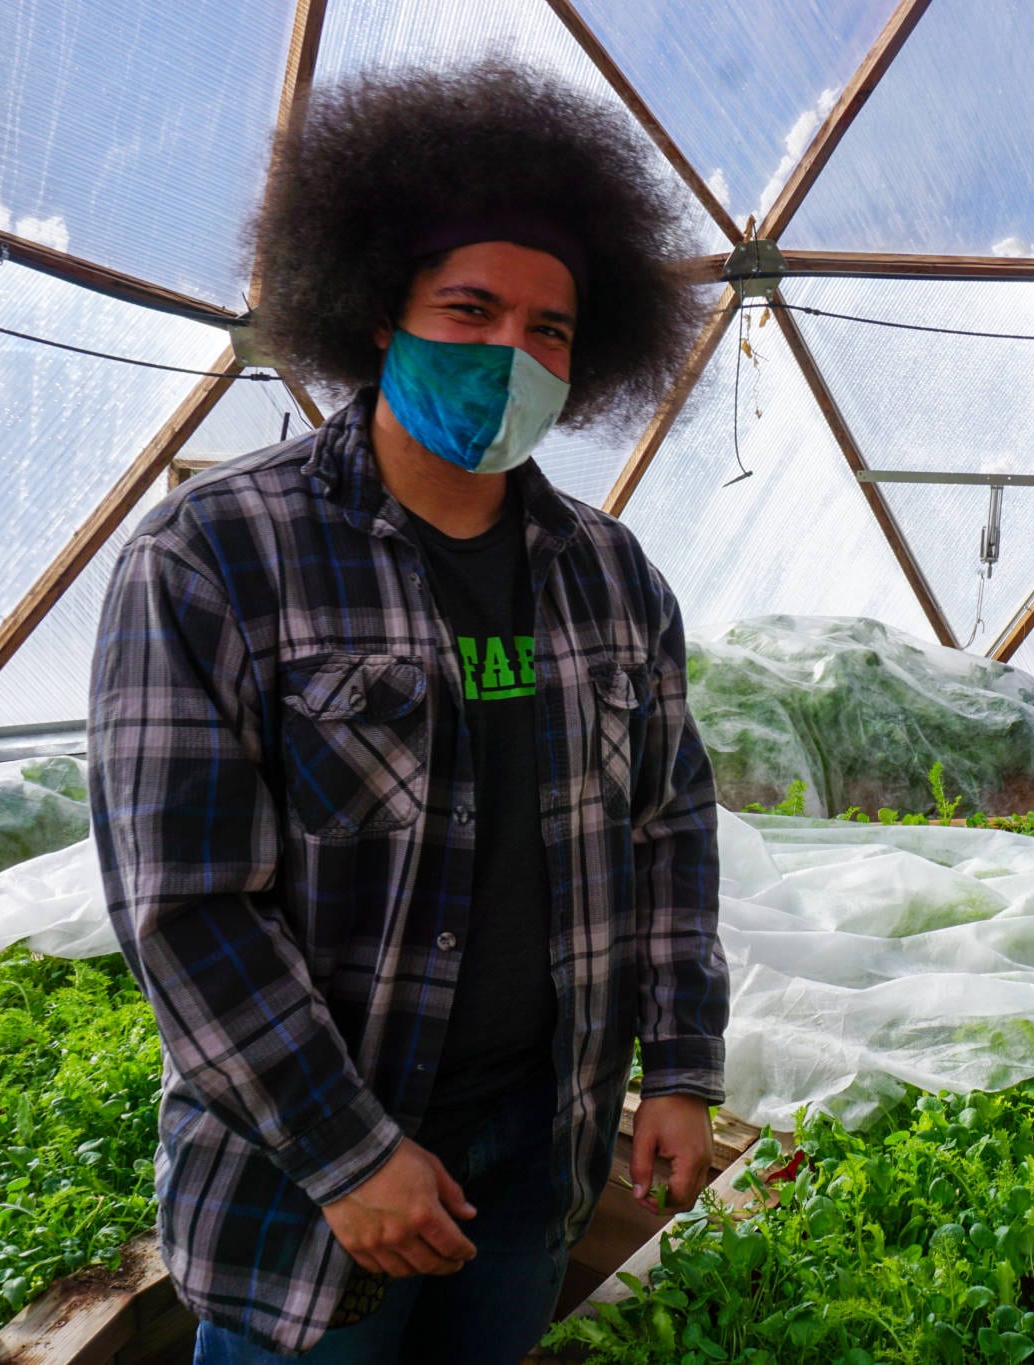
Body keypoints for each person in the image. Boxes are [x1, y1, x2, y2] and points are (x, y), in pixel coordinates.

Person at [88, 59, 725, 1363]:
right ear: (383, 311)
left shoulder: (609, 576)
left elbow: (670, 827)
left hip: (537, 1146)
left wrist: (680, 1065)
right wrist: (348, 1153)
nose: (511, 354)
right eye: (471, 308)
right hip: (309, 1175)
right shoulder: (212, 558)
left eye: (548, 329)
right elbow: (187, 905)